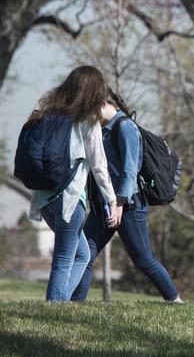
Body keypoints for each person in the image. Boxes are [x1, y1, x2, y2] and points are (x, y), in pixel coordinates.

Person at [71, 89, 181, 303]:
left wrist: (119, 202)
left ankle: (174, 299)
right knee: (85, 254)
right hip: (105, 205)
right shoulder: (103, 130)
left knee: (143, 259)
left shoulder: (125, 127)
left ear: (103, 103)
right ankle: (75, 305)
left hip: (129, 205)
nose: (88, 115)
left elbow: (130, 169)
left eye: (90, 109)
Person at [25, 66, 122, 302]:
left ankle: (60, 303)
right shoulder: (88, 123)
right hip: (70, 200)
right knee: (64, 259)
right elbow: (99, 166)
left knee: (82, 254)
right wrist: (112, 200)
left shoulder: (46, 117)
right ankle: (54, 308)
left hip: (45, 199)